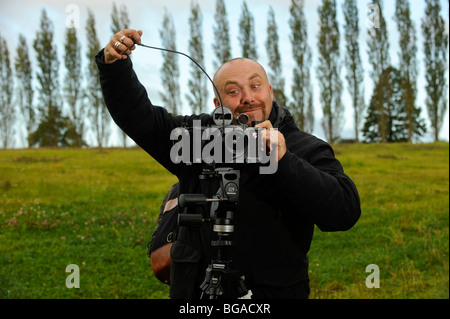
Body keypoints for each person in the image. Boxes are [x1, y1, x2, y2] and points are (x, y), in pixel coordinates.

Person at [96, 29, 361, 299]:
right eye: (233, 91)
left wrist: (284, 160)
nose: (247, 97)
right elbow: (139, 117)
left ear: (269, 91)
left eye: (255, 86)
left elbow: (344, 211)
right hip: (196, 292)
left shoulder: (304, 147)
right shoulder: (196, 138)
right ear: (218, 103)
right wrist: (114, 65)